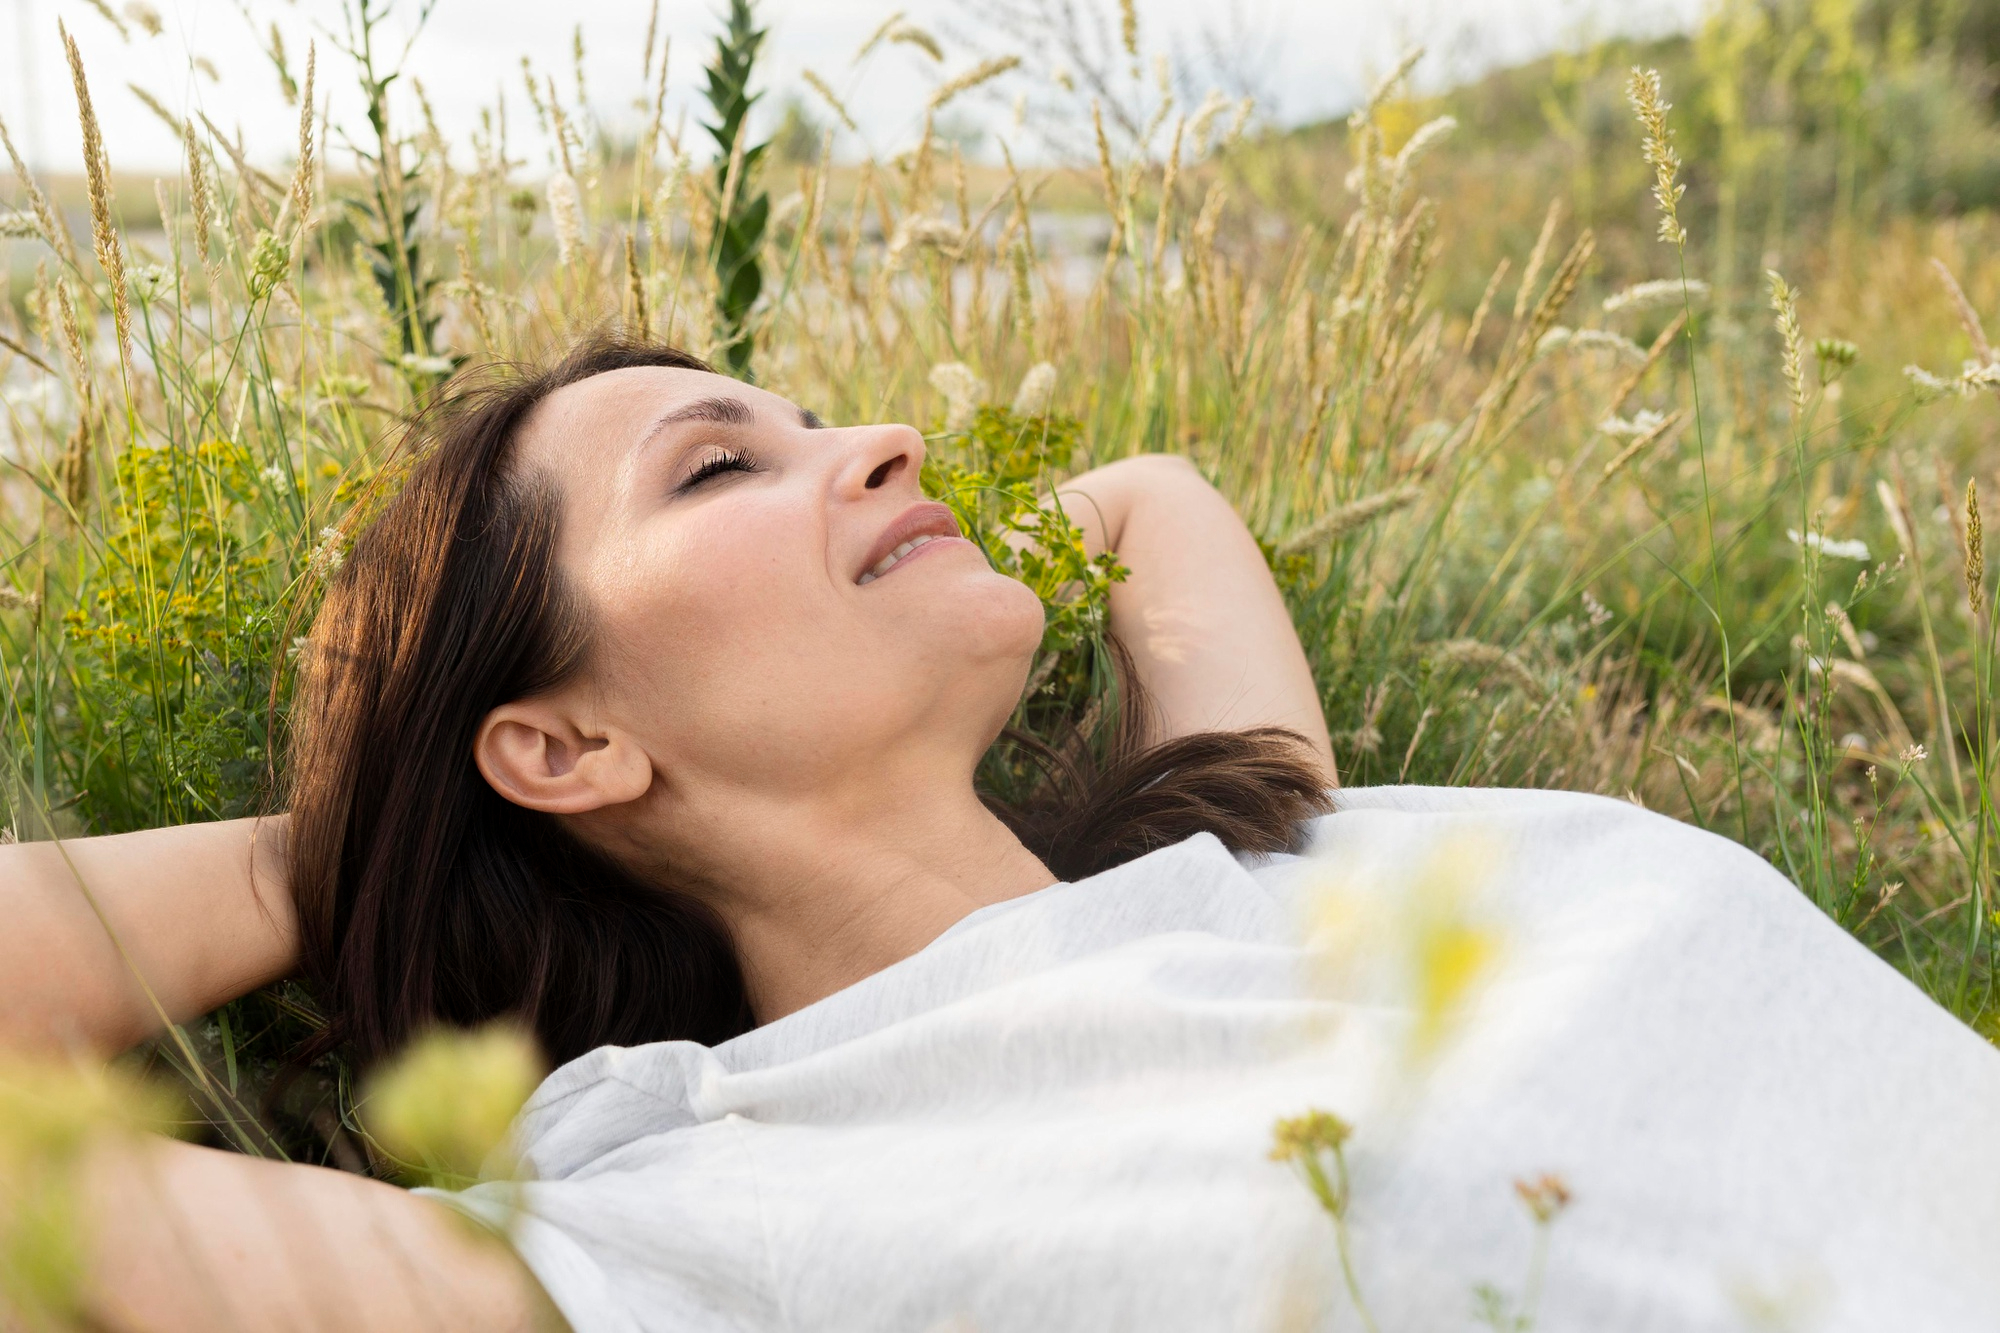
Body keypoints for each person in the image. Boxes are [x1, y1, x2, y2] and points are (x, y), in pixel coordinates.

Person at [4, 336, 1998, 1333]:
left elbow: (1148, 498)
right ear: (563, 743)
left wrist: (903, 543)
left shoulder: (1245, 837)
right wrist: (343, 846)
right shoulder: (660, 1235)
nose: (875, 442)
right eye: (719, 462)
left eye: (819, 419)